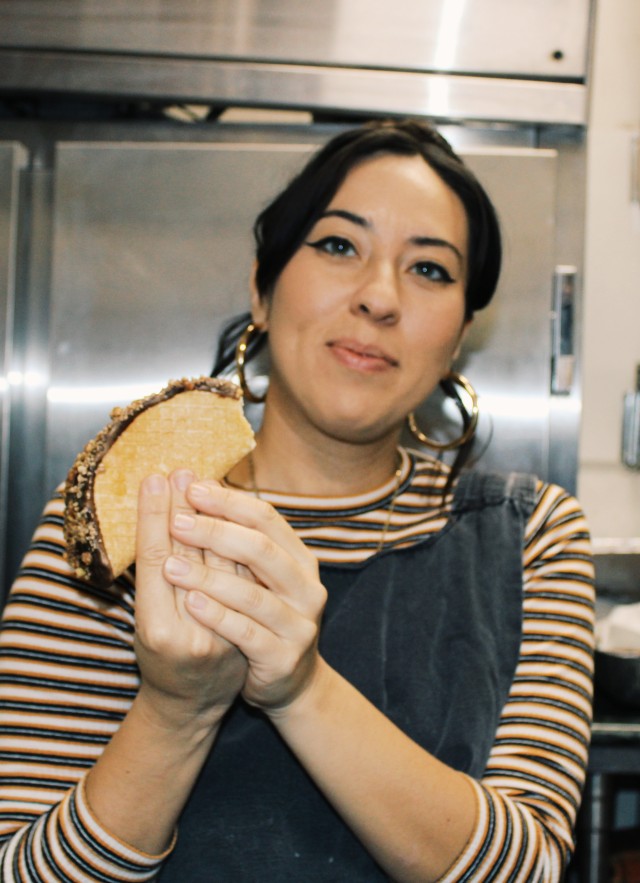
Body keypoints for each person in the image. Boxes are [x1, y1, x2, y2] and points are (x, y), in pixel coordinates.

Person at [0, 119, 594, 882]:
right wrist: (176, 710)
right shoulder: (121, 519)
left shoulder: (530, 537)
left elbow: (529, 869)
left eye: (431, 270)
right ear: (263, 285)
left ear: (459, 336)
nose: (380, 297)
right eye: (339, 245)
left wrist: (301, 686)